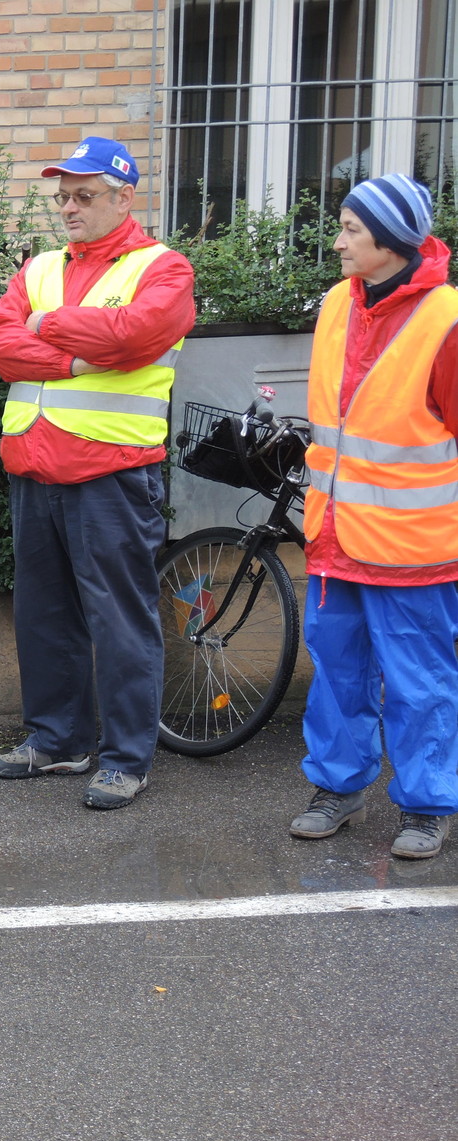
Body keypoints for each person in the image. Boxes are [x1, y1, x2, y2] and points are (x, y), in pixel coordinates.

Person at [0, 136, 195, 810]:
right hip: (35, 467)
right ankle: (59, 741)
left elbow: (135, 336)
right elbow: (1, 344)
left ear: (123, 196)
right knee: (44, 615)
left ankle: (126, 759)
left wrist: (47, 325)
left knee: (119, 619)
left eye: (83, 195)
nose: (68, 207)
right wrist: (76, 352)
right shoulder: (42, 266)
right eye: (62, 195)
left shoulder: (164, 269)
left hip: (113, 471)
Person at [287, 174, 458, 860]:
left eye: (352, 229)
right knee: (337, 673)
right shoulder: (336, 305)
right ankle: (337, 787)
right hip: (335, 538)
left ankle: (426, 804)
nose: (338, 241)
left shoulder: (446, 321)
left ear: (391, 240)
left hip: (414, 548)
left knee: (420, 683)